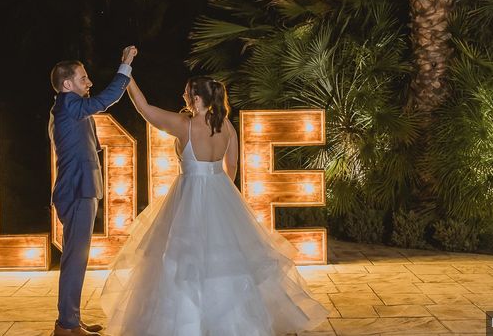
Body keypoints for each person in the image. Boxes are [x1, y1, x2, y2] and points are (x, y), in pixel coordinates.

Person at [99, 75, 329, 335]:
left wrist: (127, 76)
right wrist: (220, 193)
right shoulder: (227, 126)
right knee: (228, 260)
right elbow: (232, 167)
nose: (183, 97)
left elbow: (145, 109)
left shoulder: (184, 125)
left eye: (186, 94)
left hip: (188, 195)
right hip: (220, 191)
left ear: (196, 99)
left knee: (180, 260)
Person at [50, 46, 138, 336]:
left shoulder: (70, 109)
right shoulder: (67, 105)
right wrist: (124, 65)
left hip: (82, 189)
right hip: (77, 190)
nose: (89, 82)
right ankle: (67, 326)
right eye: (83, 78)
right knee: (75, 258)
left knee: (77, 257)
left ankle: (70, 320)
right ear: (67, 84)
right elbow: (104, 100)